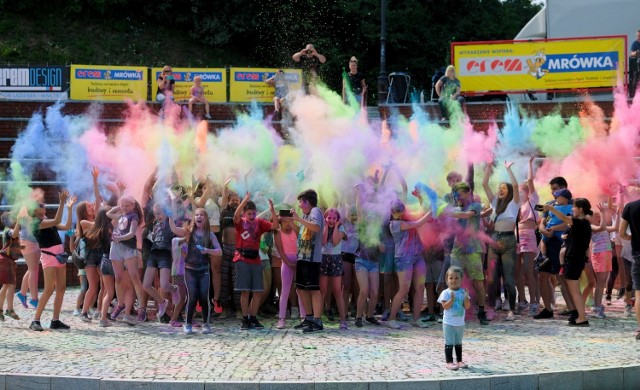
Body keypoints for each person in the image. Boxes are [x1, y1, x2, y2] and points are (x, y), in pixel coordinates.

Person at [542, 199, 602, 327]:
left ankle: (582, 317)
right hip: (577, 259)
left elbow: (564, 218)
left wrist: (551, 209)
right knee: (575, 291)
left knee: (575, 291)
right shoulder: (585, 223)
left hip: (574, 259)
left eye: (574, 207)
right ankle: (580, 316)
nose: (572, 209)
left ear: (580, 209)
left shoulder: (579, 222)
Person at [27, 190, 77, 331]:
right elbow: (56, 221)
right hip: (49, 256)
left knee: (61, 288)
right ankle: (35, 320)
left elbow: (66, 227)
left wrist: (69, 208)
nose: (43, 206)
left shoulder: (46, 220)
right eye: (40, 205)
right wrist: (61, 202)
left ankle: (55, 320)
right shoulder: (36, 223)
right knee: (49, 289)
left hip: (59, 256)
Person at [171, 201, 222, 334]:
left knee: (204, 296)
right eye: (197, 215)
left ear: (205, 219)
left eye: (202, 215)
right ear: (194, 218)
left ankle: (206, 324)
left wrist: (206, 250)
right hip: (190, 269)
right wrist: (170, 216)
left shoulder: (210, 235)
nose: (199, 217)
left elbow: (219, 251)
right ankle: (188, 324)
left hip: (204, 269)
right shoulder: (189, 232)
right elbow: (175, 230)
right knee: (192, 296)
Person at [442, 182, 489, 325]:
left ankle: (481, 312)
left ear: (468, 194)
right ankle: (453, 312)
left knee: (478, 282)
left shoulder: (474, 206)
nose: (458, 197)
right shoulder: (455, 209)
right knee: (453, 282)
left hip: (473, 250)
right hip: (457, 251)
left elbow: (467, 215)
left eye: (460, 194)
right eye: (455, 195)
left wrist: (447, 212)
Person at [384, 199, 433, 329]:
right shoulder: (394, 224)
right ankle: (391, 319)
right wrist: (432, 211)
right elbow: (419, 222)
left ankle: (416, 319)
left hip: (418, 256)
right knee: (404, 289)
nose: (398, 214)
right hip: (403, 259)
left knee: (420, 287)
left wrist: (421, 199)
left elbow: (420, 214)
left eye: (400, 211)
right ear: (391, 212)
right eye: (395, 212)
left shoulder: (408, 218)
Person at [233, 193, 277, 330]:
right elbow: (235, 216)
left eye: (253, 213)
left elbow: (275, 225)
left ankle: (253, 318)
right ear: (245, 214)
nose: (252, 216)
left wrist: (272, 210)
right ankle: (245, 319)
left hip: (256, 259)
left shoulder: (260, 223)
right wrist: (244, 201)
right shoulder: (241, 223)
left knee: (258, 291)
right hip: (242, 259)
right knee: (245, 291)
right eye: (249, 214)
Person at [482, 161, 520, 322]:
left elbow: (516, 186)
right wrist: (489, 167)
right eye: (500, 188)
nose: (500, 190)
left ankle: (511, 310)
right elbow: (484, 184)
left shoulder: (514, 203)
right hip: (494, 239)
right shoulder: (495, 203)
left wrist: (508, 169)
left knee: (509, 279)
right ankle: (490, 309)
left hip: (508, 240)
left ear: (509, 192)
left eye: (504, 188)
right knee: (491, 278)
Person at [106, 195, 146, 325]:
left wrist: (120, 239)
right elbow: (108, 213)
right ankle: (120, 304)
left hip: (128, 248)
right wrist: (121, 204)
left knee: (134, 277)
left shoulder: (134, 217)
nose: (124, 208)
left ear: (133, 206)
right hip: (116, 247)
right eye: (123, 206)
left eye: (127, 206)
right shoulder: (121, 216)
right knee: (118, 277)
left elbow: (131, 233)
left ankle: (142, 307)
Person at [289, 189, 325, 333]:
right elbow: (302, 232)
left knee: (313, 289)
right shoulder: (305, 215)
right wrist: (291, 222)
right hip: (302, 257)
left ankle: (317, 321)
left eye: (301, 201)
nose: (299, 204)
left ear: (307, 202)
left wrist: (298, 219)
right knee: (300, 288)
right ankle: (309, 318)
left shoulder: (315, 211)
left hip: (312, 259)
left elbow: (316, 228)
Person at [516, 156, 541, 316]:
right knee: (517, 271)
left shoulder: (533, 201)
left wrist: (530, 164)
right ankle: (522, 300)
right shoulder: (517, 205)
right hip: (516, 237)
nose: (519, 194)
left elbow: (531, 181)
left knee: (528, 270)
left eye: (521, 191)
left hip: (529, 236)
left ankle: (534, 302)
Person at [438, 266, 471, 371]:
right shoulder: (446, 293)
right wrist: (451, 300)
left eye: (457, 278)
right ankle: (449, 361)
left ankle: (459, 360)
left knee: (458, 342)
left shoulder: (462, 292)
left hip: (460, 323)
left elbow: (467, 306)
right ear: (447, 279)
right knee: (449, 343)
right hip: (449, 323)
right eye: (451, 278)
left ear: (461, 279)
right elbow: (445, 306)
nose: (454, 280)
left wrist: (466, 298)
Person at [320, 208, 348, 329]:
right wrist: (326, 226)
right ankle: (318, 318)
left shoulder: (341, 228)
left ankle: (343, 320)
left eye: (334, 218)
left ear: (337, 220)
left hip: (336, 259)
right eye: (329, 218)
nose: (331, 220)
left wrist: (336, 226)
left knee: (337, 290)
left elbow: (336, 241)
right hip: (324, 258)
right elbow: (323, 241)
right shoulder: (323, 227)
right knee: (323, 291)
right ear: (325, 218)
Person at [274, 211, 302, 329]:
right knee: (284, 290)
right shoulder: (278, 233)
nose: (287, 224)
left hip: (298, 260)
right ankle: (282, 318)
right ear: (281, 222)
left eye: (289, 221)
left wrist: (293, 221)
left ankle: (304, 317)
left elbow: (301, 232)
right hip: (286, 262)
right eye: (284, 221)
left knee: (300, 290)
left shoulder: (295, 230)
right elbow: (280, 251)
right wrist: (289, 263)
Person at [618, 197, 640, 340]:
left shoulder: (630, 207)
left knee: (639, 294)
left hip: (638, 254)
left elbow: (621, 233)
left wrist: (631, 237)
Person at [0, 213, 21, 322]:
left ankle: (6, 309)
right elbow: (14, 234)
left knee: (8, 285)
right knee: (9, 285)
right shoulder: (8, 230)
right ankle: (9, 309)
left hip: (8, 260)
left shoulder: (8, 230)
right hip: (6, 259)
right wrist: (19, 219)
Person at [629, 30, 640, 98]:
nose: (638, 37)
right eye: (637, 36)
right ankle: (634, 94)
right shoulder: (634, 43)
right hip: (637, 64)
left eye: (639, 36)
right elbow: (631, 53)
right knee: (635, 78)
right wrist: (636, 53)